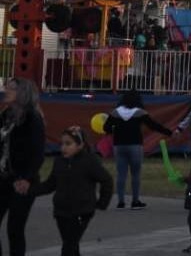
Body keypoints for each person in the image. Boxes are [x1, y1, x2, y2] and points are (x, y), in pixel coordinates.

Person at [31, 126, 112, 256]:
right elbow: (50, 184)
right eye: (62, 144)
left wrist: (102, 202)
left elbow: (106, 180)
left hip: (82, 211)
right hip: (61, 212)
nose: (63, 147)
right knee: (71, 246)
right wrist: (30, 190)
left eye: (68, 144)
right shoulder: (59, 162)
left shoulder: (90, 161)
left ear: (80, 145)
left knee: (68, 247)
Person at [103, 90, 172, 209]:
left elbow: (106, 128)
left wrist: (114, 130)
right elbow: (153, 126)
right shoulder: (140, 113)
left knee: (121, 174)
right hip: (135, 145)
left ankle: (121, 202)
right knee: (135, 174)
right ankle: (135, 201)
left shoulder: (115, 113)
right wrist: (169, 132)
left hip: (119, 145)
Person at [0, 77, 45, 256]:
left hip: (22, 179)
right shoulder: (5, 115)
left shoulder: (32, 118)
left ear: (22, 93)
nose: (5, 90)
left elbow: (37, 152)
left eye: (10, 88)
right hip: (3, 177)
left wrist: (26, 177)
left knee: (15, 228)